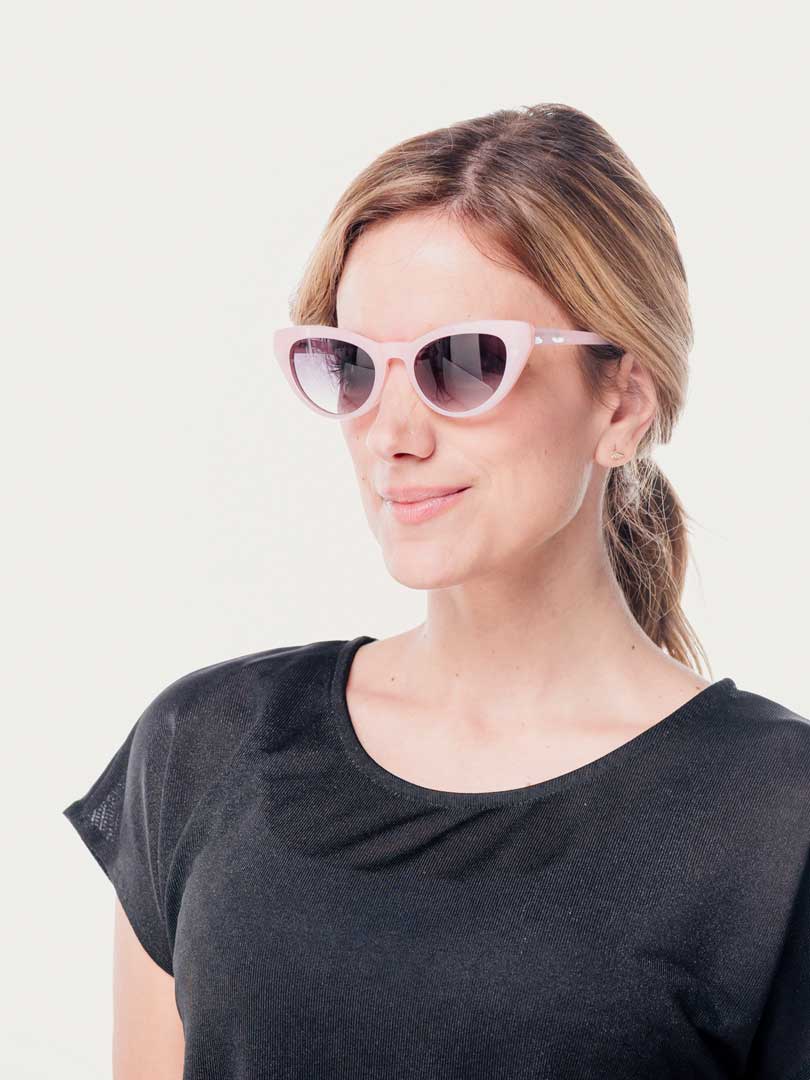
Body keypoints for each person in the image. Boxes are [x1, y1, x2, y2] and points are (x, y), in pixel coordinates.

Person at [63, 102, 809, 1079]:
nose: (392, 433)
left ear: (623, 402)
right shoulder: (206, 748)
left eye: (462, 363)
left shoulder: (776, 822)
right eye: (353, 366)